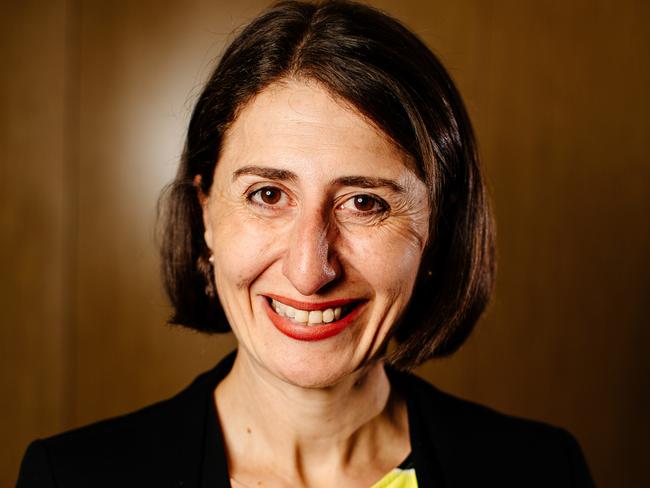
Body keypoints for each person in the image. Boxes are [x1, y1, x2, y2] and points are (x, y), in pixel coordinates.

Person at [17, 1, 594, 486]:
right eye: (268, 195)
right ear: (205, 215)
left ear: (437, 230)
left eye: (365, 203)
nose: (309, 269)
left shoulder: (542, 470)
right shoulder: (69, 477)